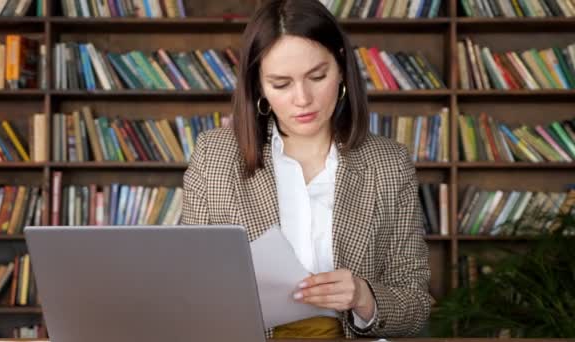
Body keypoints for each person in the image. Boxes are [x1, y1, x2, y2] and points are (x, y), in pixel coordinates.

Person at [181, 0, 431, 338]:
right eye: (281, 84)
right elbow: (187, 286)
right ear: (259, 87)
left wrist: (363, 296)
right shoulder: (215, 155)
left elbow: (416, 306)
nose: (302, 99)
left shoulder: (388, 163)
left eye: (317, 76)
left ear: (341, 66)